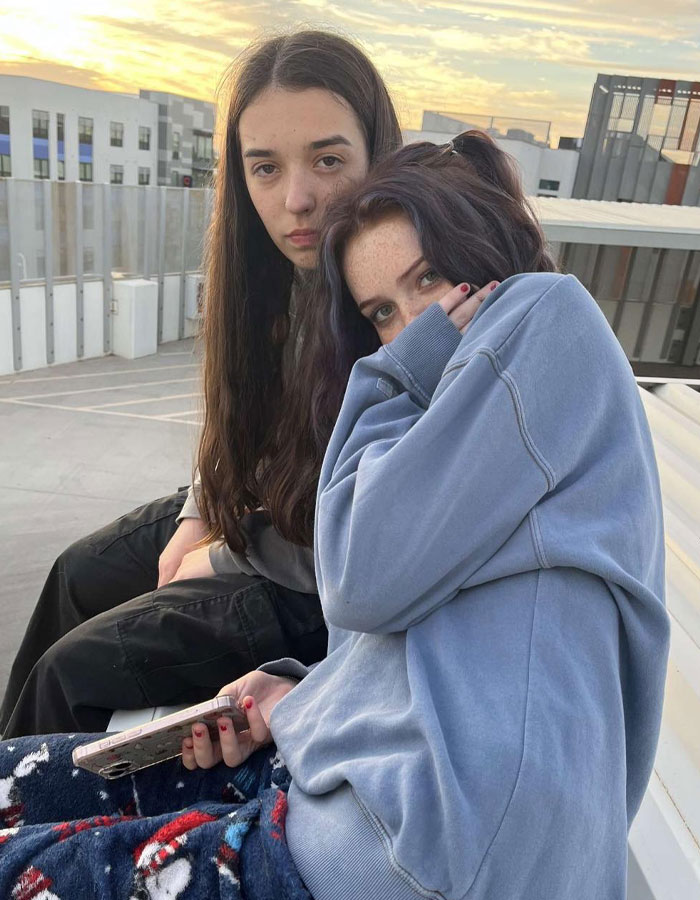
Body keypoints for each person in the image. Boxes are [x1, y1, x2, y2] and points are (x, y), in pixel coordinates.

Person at [0, 134, 670, 900]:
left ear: (490, 256)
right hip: (405, 810)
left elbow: (355, 577)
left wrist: (388, 373)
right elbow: (439, 635)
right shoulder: (485, 415)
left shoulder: (544, 315)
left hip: (433, 853)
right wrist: (302, 695)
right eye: (383, 313)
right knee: (16, 777)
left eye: (432, 279)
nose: (419, 323)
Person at [0, 29, 405, 738]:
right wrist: (198, 512)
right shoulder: (275, 275)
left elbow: (362, 534)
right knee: (74, 574)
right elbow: (239, 421)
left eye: (329, 160)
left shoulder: (393, 300)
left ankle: (26, 827)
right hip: (262, 512)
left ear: (378, 154)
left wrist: (214, 559)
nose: (298, 199)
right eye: (266, 168)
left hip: (310, 581)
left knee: (69, 674)